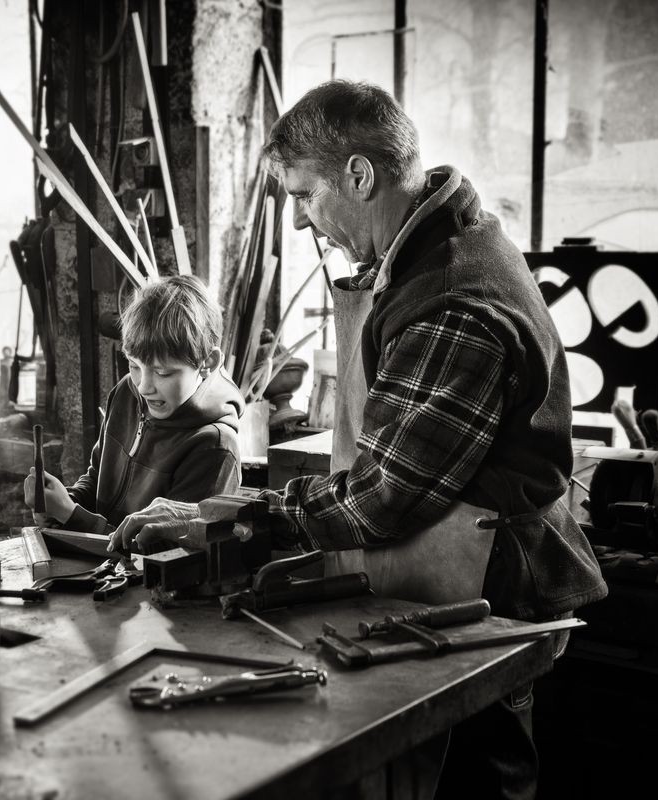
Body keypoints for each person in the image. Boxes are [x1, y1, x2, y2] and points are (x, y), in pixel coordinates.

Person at [110, 80, 607, 800]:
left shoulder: (453, 299)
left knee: (476, 780)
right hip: (440, 573)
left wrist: (223, 517)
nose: (303, 224)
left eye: (305, 197)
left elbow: (383, 496)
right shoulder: (434, 246)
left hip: (490, 595)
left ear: (359, 175)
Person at [24, 274, 243, 534]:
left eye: (163, 373)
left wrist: (71, 515)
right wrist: (60, 505)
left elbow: (160, 554)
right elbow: (96, 479)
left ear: (207, 363)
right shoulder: (126, 394)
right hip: (97, 565)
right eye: (134, 365)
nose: (143, 386)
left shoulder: (214, 448)